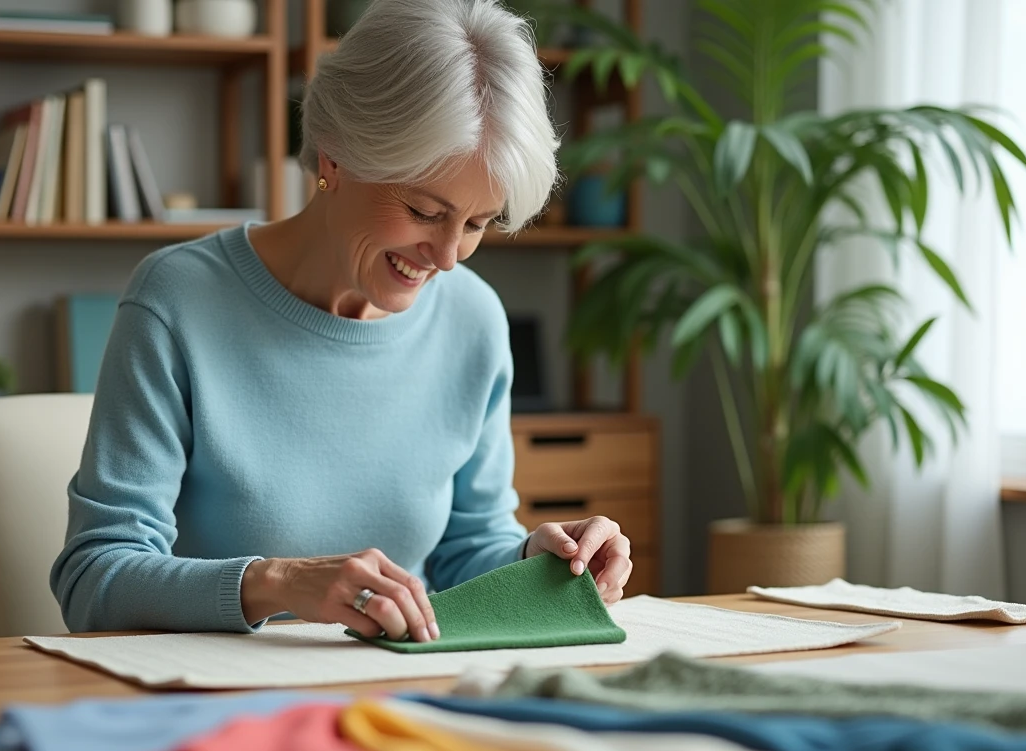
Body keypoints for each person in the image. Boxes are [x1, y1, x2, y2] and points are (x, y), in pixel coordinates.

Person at [50, 0, 633, 644]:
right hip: (214, 703)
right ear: (335, 157)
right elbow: (92, 578)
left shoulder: (473, 319)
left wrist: (538, 562)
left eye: (476, 224)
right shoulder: (178, 300)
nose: (447, 257)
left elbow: (466, 552)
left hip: (401, 701)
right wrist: (275, 581)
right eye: (423, 210)